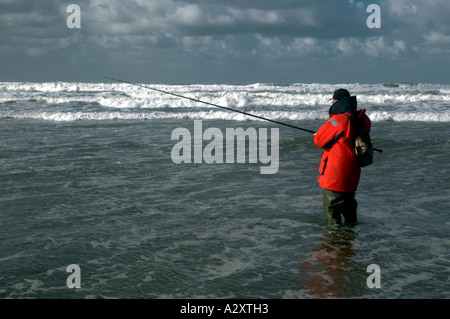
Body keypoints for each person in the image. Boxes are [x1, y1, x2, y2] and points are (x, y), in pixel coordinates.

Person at [314, 89, 371, 226]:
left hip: (336, 173)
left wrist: (317, 135)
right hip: (353, 170)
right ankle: (349, 241)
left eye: (333, 101)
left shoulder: (337, 120)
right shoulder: (362, 118)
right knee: (349, 209)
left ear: (337, 102)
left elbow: (319, 140)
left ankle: (335, 241)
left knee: (332, 209)